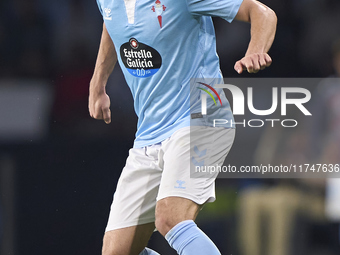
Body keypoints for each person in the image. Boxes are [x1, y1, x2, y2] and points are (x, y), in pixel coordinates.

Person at [88, 0, 277, 254]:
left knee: (170, 217)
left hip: (201, 118)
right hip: (149, 133)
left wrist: (256, 49)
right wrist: (98, 82)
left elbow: (262, 12)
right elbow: (112, 24)